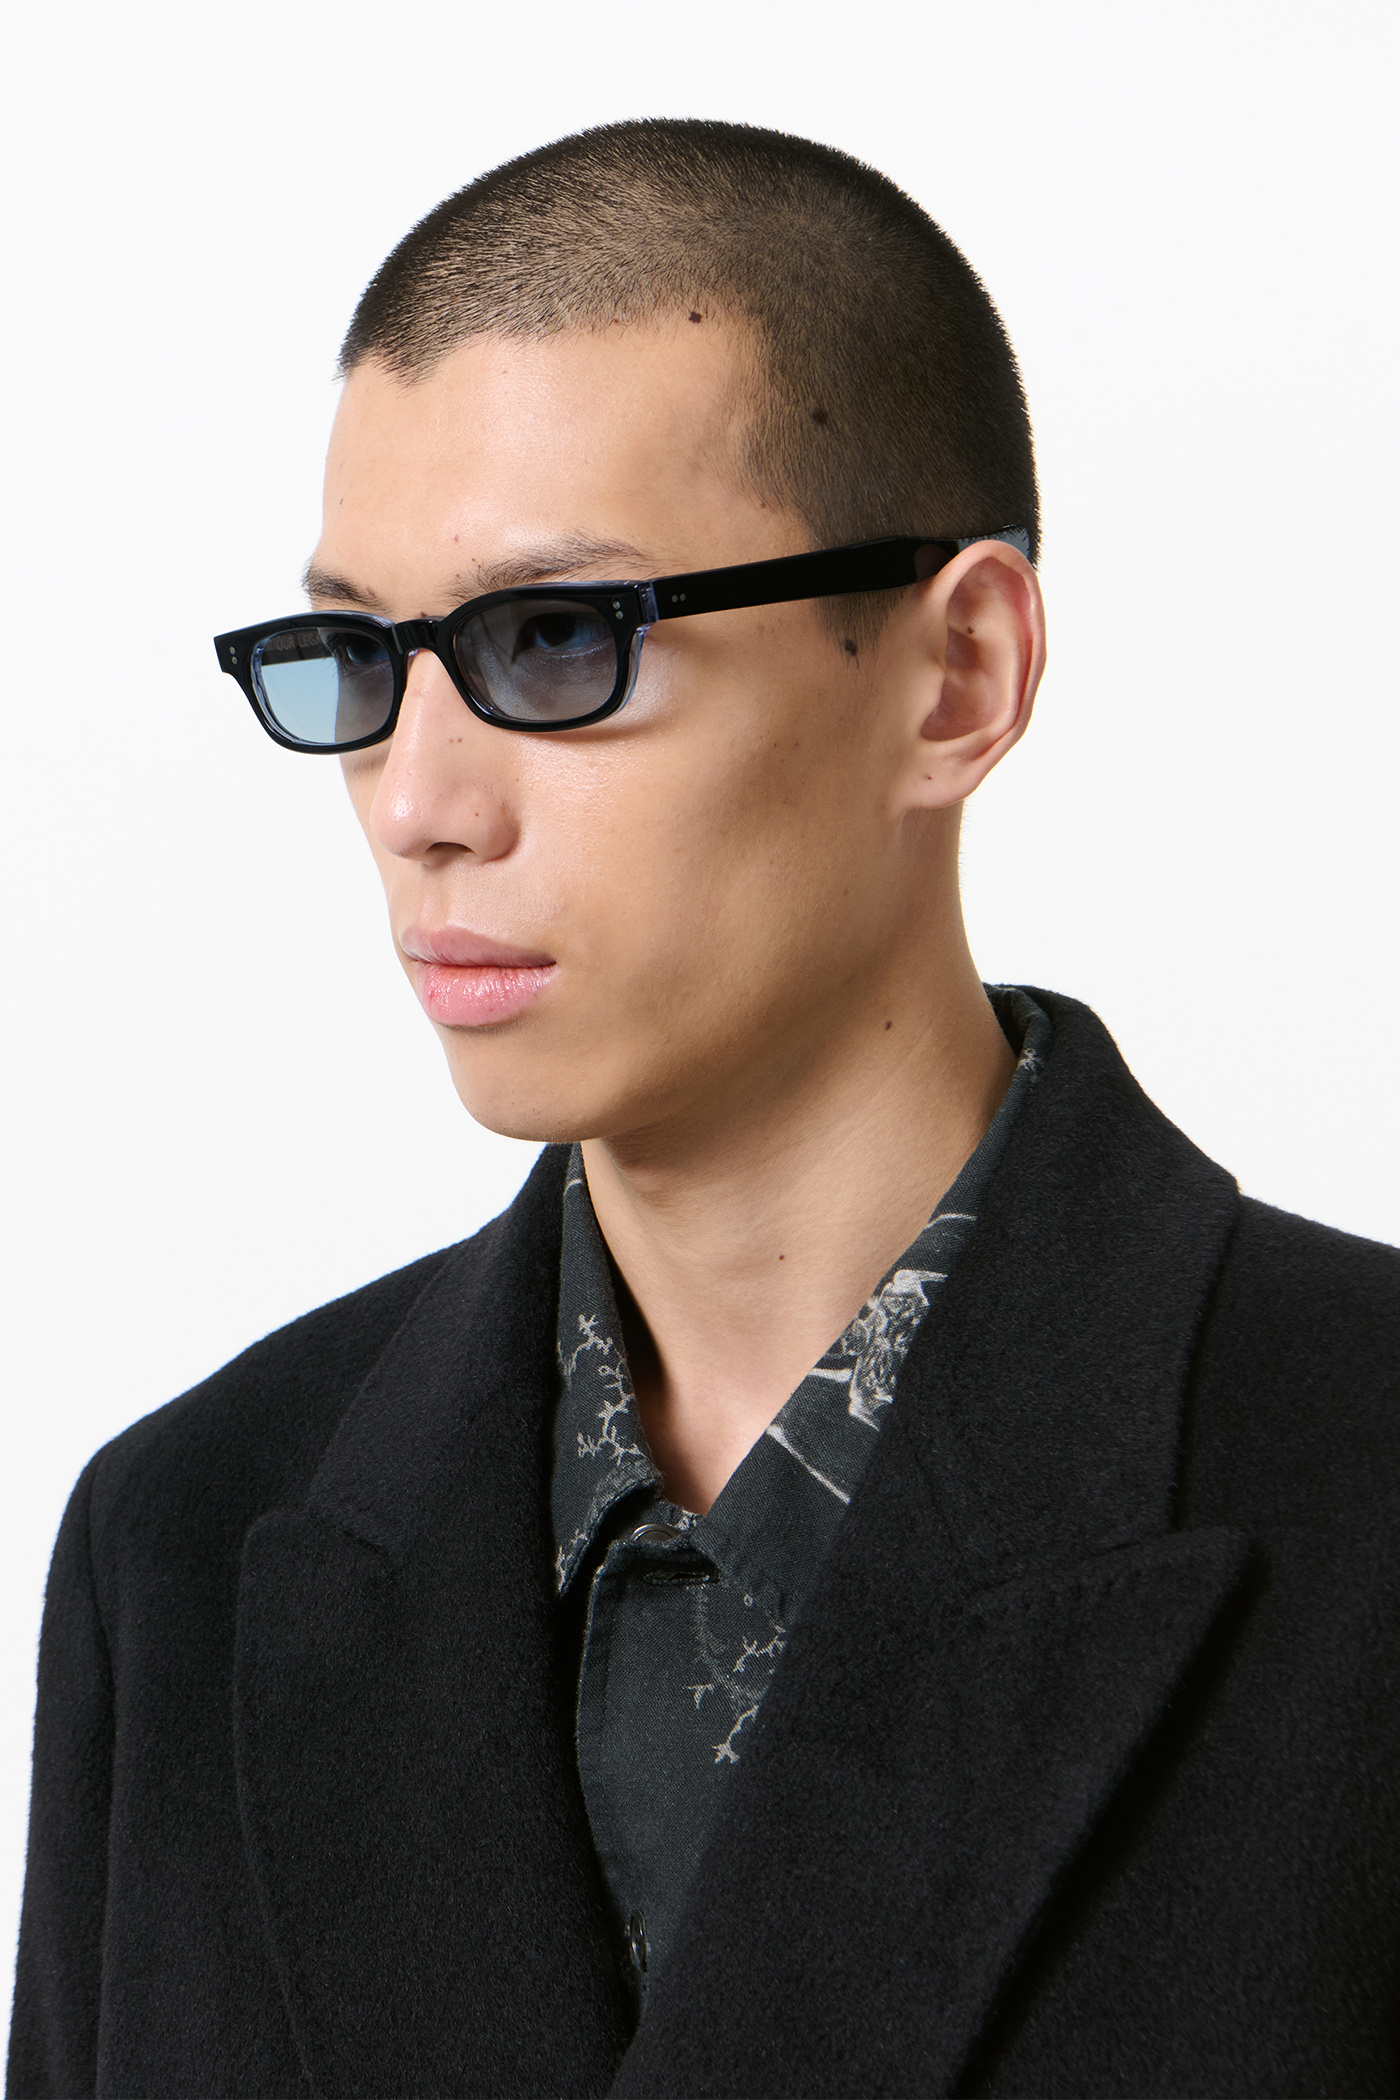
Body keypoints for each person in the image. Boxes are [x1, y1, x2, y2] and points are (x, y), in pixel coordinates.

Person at [8, 116, 1400, 2100]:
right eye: (357, 659)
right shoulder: (187, 1546)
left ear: (956, 675)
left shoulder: (1357, 1481)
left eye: (553, 641)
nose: (420, 803)